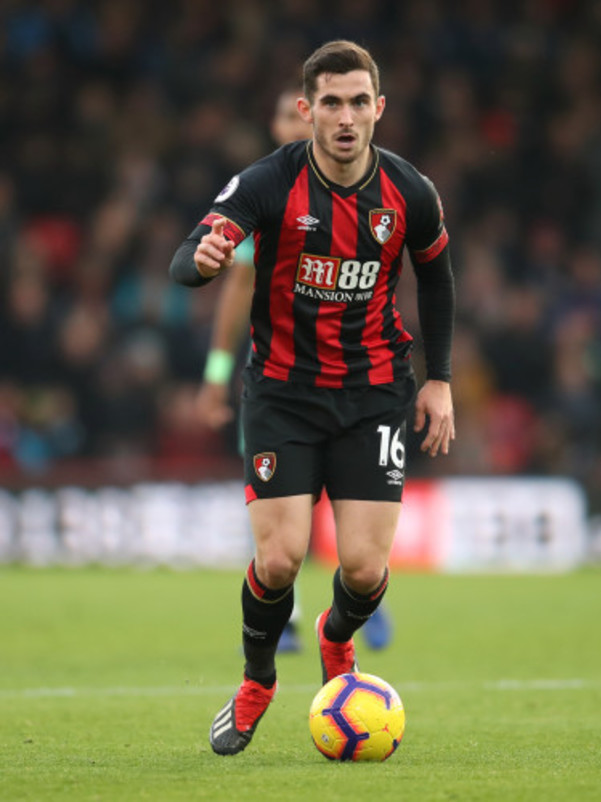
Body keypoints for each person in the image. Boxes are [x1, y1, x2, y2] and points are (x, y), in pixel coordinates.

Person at [169, 40, 455, 756]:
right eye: (331, 102)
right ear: (308, 110)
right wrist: (201, 260)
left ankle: (336, 637)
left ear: (379, 108)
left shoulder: (410, 192)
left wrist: (441, 380)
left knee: (363, 569)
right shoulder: (268, 182)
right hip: (284, 394)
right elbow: (190, 255)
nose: (346, 117)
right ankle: (257, 681)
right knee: (278, 562)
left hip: (374, 392)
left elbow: (437, 277)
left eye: (359, 102)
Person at [196, 86, 394, 654]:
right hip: (278, 382)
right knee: (281, 506)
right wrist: (216, 373)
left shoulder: (364, 191)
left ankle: (364, 598)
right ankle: (289, 615)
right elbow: (237, 288)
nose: (293, 126)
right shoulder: (263, 196)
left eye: (299, 114)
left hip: (352, 380)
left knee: (351, 497)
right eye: (284, 115)